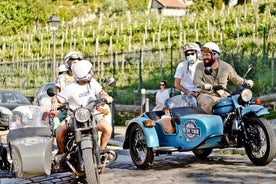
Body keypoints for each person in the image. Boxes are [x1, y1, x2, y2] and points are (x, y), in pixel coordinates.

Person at [51, 59, 113, 156]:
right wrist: (54, 103)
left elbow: (101, 92)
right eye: (89, 72)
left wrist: (106, 97)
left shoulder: (92, 83)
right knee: (59, 131)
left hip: (92, 114)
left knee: (108, 128)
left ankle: (102, 150)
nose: (91, 73)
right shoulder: (70, 88)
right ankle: (62, 154)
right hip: (73, 117)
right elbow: (56, 98)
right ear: (83, 74)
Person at [193, 41, 254, 114]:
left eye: (207, 55)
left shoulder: (226, 67)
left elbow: (236, 79)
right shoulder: (200, 66)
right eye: (204, 55)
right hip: (205, 94)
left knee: (241, 100)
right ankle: (208, 124)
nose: (205, 57)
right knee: (207, 101)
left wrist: (247, 82)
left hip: (223, 95)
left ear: (215, 55)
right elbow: (196, 80)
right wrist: (205, 85)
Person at [52, 51, 83, 132]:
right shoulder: (62, 78)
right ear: (68, 63)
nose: (76, 65)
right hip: (67, 109)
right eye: (74, 62)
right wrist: (55, 102)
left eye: (78, 62)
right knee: (56, 123)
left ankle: (97, 144)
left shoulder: (85, 76)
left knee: (98, 123)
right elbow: (57, 95)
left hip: (84, 108)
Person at [174, 42, 202, 107]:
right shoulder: (181, 66)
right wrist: (187, 92)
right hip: (187, 95)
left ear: (197, 54)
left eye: (192, 54)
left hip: (201, 93)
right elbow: (177, 84)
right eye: (187, 54)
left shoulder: (203, 65)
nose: (190, 56)